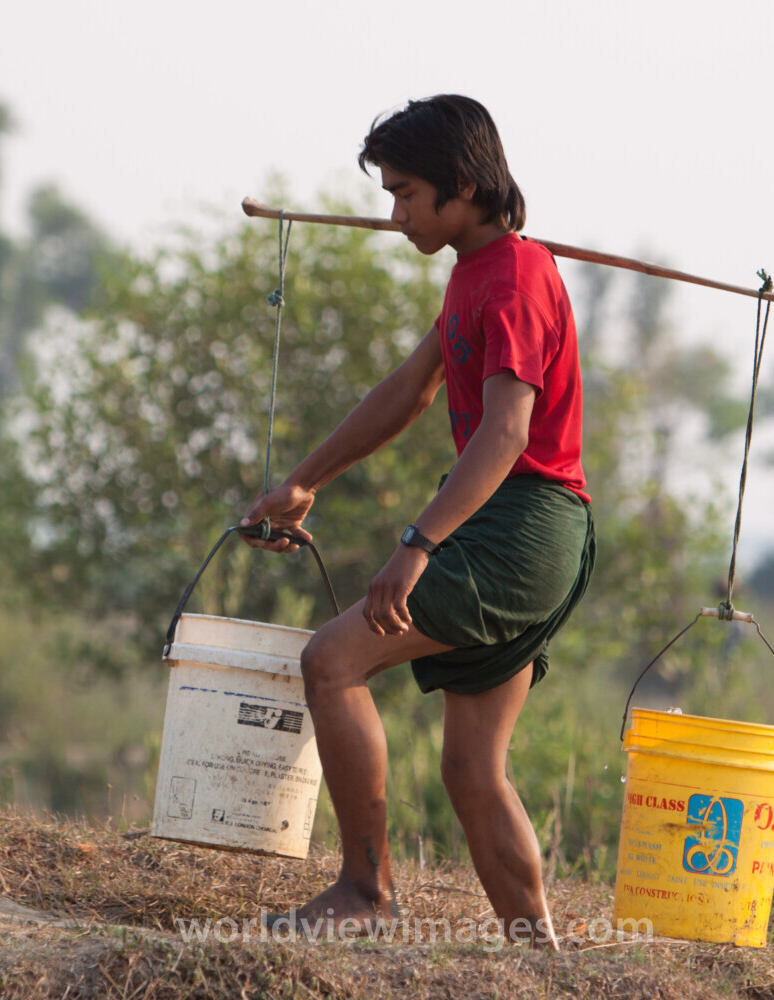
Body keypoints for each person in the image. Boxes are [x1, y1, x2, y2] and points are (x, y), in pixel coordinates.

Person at [243, 94, 593, 949]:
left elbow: (508, 432)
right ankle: (537, 954)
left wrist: (417, 544)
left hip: (521, 528)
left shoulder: (513, 280)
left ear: (463, 188)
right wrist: (303, 480)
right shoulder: (476, 272)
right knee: (472, 771)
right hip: (530, 529)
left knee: (331, 659)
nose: (394, 216)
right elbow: (408, 390)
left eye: (406, 195)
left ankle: (366, 892)